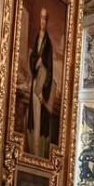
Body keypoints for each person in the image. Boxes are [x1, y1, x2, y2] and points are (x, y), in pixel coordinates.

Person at [26, 8, 54, 158]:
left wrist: (44, 89)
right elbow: (33, 58)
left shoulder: (48, 43)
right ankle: (32, 150)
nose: (42, 22)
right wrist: (35, 62)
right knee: (33, 117)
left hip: (42, 87)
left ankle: (38, 153)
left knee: (40, 117)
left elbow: (50, 69)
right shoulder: (37, 37)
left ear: (47, 21)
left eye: (45, 19)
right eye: (41, 18)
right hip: (35, 83)